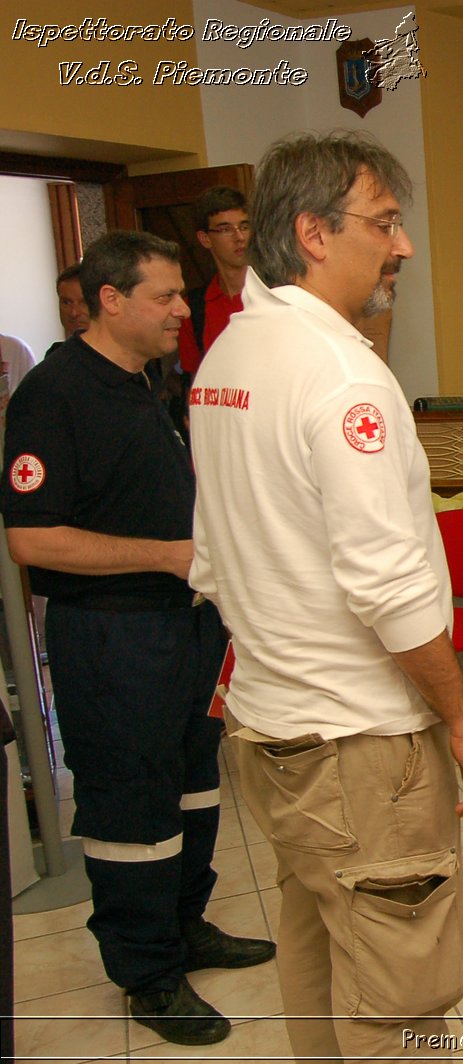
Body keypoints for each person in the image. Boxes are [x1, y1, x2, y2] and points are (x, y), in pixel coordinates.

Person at [188, 130, 463, 1062]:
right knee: (400, 995)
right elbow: (390, 587)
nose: (401, 246)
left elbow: (213, 558)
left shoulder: (227, 361)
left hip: (272, 730)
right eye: (386, 223)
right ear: (314, 233)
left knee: (321, 949)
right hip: (359, 743)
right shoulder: (341, 374)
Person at [0, 230, 274, 1046]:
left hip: (184, 630)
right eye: (166, 296)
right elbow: (33, 540)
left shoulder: (148, 383)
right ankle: (147, 974)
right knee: (131, 809)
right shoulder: (54, 394)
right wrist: (169, 555)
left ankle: (185, 926)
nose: (183, 310)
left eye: (183, 295)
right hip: (113, 639)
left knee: (192, 787)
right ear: (110, 300)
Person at [175, 185, 249, 378]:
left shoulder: (278, 292)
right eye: (225, 229)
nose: (239, 237)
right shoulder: (193, 308)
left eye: (244, 226)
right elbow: (196, 384)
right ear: (205, 238)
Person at [43, 263, 90, 359]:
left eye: (84, 302)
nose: (74, 313)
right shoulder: (55, 357)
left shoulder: (122, 356)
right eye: (66, 302)